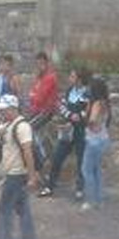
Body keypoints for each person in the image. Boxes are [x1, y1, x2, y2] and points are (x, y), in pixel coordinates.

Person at [0, 95, 39, 239]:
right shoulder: (9, 124)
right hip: (16, 174)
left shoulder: (21, 127)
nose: (1, 112)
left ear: (13, 109)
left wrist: (32, 176)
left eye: (4, 109)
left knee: (4, 209)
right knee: (23, 209)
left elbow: (28, 152)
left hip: (16, 175)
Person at [39, 67, 90, 199]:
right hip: (67, 129)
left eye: (72, 76)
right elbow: (61, 105)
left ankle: (80, 188)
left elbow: (88, 111)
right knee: (57, 157)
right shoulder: (69, 91)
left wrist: (79, 116)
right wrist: (70, 115)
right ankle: (50, 186)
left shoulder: (87, 93)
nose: (70, 78)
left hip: (81, 131)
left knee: (81, 160)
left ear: (79, 79)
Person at [81, 78, 111, 211]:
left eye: (90, 87)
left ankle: (90, 201)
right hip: (103, 139)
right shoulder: (105, 103)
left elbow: (92, 121)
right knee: (96, 170)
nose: (88, 89)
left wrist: (84, 117)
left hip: (94, 140)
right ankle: (99, 200)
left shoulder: (96, 104)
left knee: (86, 170)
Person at [28, 51, 59, 128]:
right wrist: (34, 96)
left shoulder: (50, 77)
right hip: (35, 110)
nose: (40, 66)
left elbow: (40, 98)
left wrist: (34, 95)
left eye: (42, 64)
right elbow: (31, 94)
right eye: (38, 64)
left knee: (28, 129)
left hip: (46, 112)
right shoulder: (38, 78)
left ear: (47, 63)